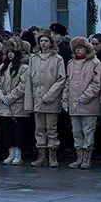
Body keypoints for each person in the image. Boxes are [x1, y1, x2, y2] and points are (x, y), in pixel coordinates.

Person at [25, 33, 66, 167]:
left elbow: (61, 79)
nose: (43, 43)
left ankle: (52, 156)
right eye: (41, 41)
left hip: (51, 100)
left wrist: (50, 95)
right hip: (37, 99)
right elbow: (28, 81)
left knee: (51, 129)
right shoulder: (33, 59)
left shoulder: (57, 59)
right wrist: (29, 102)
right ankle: (41, 156)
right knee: (39, 129)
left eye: (46, 41)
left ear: (51, 43)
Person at [62, 38, 101, 171]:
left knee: (88, 131)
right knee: (76, 132)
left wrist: (85, 97)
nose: (78, 50)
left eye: (81, 47)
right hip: (73, 104)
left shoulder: (95, 62)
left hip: (89, 104)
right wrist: (65, 99)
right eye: (76, 48)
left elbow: (96, 83)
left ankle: (87, 158)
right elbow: (67, 82)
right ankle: (79, 157)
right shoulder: (71, 63)